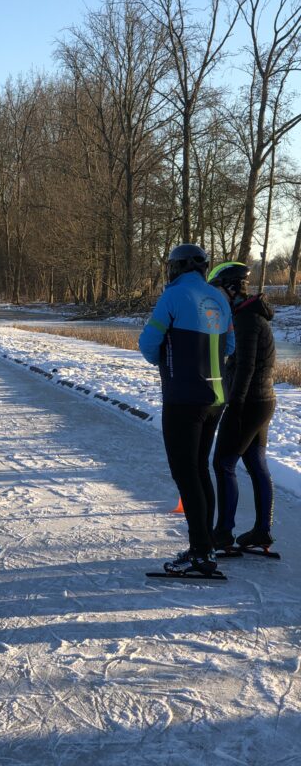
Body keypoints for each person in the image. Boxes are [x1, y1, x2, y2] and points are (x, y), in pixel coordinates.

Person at [139, 244, 234, 577]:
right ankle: (205, 544)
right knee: (199, 469)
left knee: (185, 473)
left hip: (183, 398)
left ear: (176, 268)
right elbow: (231, 347)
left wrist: (168, 355)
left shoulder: (173, 296)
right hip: (216, 397)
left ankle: (200, 552)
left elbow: (147, 346)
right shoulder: (220, 298)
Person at [208, 262, 276, 552]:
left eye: (218, 290)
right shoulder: (250, 315)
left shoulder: (246, 320)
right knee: (256, 465)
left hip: (248, 404)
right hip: (263, 402)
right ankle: (262, 531)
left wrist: (234, 406)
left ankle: (223, 533)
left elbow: (246, 367)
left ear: (232, 288)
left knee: (223, 464)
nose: (216, 296)